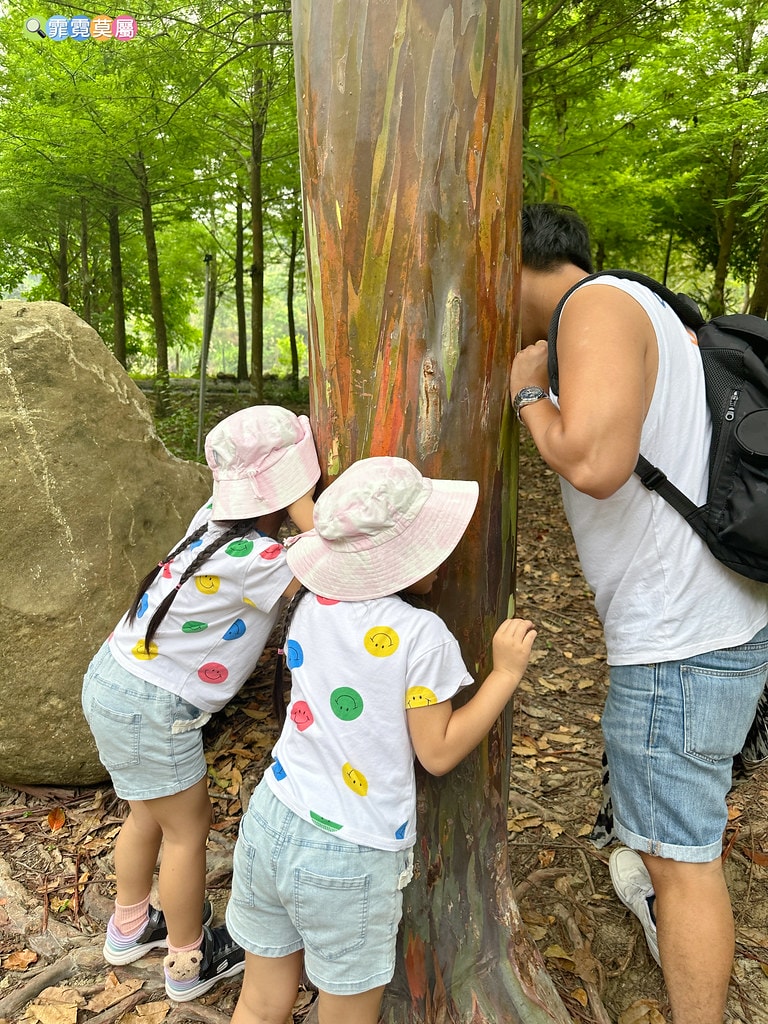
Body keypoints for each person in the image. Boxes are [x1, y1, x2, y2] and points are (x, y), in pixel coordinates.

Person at [509, 202, 768, 1024]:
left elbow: (595, 461)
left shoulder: (593, 306)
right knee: (678, 847)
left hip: (679, 639)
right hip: (713, 618)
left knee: (682, 864)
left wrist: (527, 393)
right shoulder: (643, 306)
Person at [224, 456, 537, 1024]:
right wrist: (505, 675)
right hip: (351, 850)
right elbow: (437, 752)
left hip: (272, 816)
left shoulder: (309, 602)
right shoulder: (422, 637)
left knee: (260, 1003)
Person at [81, 405, 321, 1002]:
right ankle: (189, 961)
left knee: (146, 813)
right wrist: (302, 504)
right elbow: (332, 556)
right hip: (152, 706)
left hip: (112, 678)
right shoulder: (260, 561)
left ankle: (131, 926)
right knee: (188, 832)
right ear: (282, 493)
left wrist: (282, 492)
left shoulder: (209, 520)